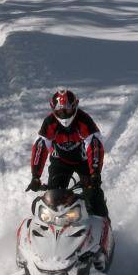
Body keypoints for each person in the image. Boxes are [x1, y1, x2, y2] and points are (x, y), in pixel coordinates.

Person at [27, 89, 109, 219]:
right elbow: (40, 147)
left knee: (94, 193)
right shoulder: (49, 123)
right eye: (60, 111)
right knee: (53, 198)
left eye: (67, 110)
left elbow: (94, 146)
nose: (64, 115)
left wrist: (95, 172)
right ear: (53, 109)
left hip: (84, 162)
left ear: (75, 106)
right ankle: (51, 227)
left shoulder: (84, 120)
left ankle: (104, 223)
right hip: (60, 162)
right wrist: (35, 176)